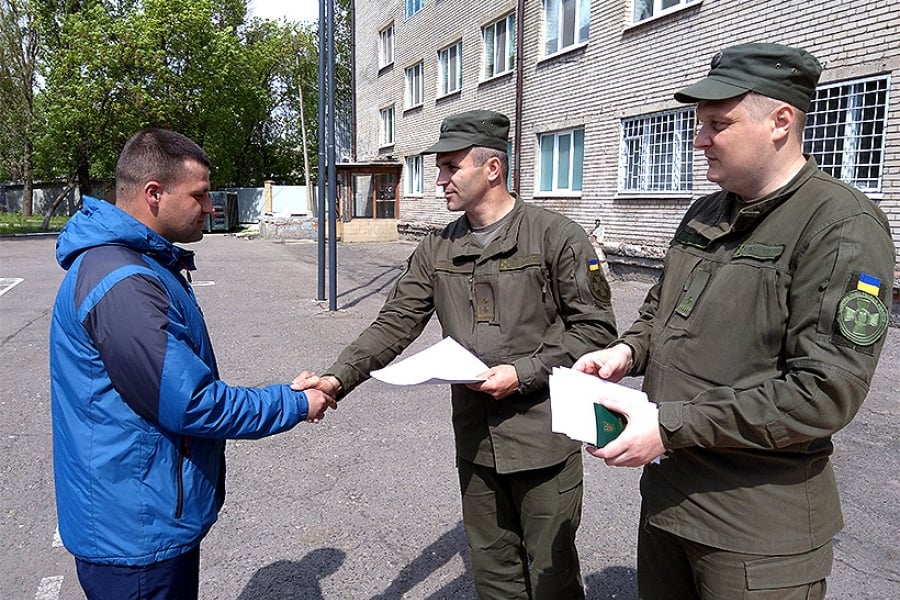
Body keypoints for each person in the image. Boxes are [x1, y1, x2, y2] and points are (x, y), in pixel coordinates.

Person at [573, 43, 895, 599]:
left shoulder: (839, 225)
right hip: (670, 504)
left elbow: (824, 392)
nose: (699, 141)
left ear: (780, 121)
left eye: (718, 125)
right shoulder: (706, 211)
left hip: (755, 536)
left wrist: (670, 426)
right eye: (700, 126)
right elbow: (660, 311)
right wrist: (626, 352)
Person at [294, 110, 618, 599]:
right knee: (495, 577)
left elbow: (596, 332)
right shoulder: (437, 249)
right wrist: (336, 379)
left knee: (553, 578)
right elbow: (394, 324)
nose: (439, 179)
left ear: (492, 169)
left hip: (544, 438)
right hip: (477, 441)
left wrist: (524, 371)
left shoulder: (557, 237)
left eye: (450, 167)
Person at [49, 128, 336, 599]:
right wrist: (295, 404)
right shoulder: (122, 281)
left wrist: (289, 395)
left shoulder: (137, 263)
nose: (210, 207)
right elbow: (192, 403)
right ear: (154, 195)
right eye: (199, 195)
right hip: (135, 534)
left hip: (142, 513)